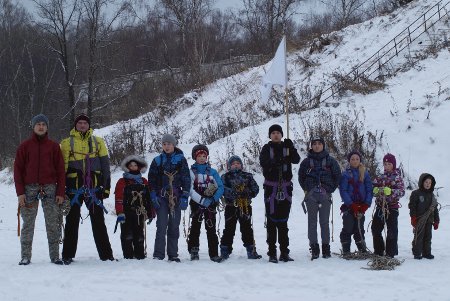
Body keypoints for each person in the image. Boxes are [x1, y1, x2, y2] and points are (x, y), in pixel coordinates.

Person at [60, 114, 114, 264]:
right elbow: (61, 168)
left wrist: (107, 188)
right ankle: (67, 255)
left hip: (94, 189)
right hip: (73, 189)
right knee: (71, 222)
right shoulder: (66, 143)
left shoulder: (98, 142)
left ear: (89, 125)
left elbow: (105, 166)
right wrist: (61, 189)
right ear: (75, 125)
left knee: (98, 222)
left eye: (85, 123)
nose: (82, 125)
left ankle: (106, 255)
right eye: (80, 123)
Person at [14, 114, 66, 265]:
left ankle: (55, 256)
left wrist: (60, 192)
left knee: (52, 223)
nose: (41, 126)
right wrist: (20, 193)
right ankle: (25, 256)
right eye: (38, 124)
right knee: (28, 224)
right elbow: (17, 170)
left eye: (44, 124)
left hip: (50, 188)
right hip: (29, 189)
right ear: (33, 126)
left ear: (47, 127)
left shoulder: (54, 147)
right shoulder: (24, 146)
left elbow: (60, 171)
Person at [259, 124, 300, 263]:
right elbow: (264, 162)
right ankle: (271, 252)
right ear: (270, 135)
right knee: (271, 221)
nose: (276, 135)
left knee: (283, 222)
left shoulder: (287, 147)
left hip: (286, 188)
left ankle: (284, 252)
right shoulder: (266, 149)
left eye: (278, 133)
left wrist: (291, 147)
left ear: (282, 135)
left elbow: (296, 160)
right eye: (273, 133)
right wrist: (277, 161)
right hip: (271, 189)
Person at [147, 134, 190, 262]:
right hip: (161, 196)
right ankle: (158, 254)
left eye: (169, 144)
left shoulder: (181, 160)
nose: (167, 146)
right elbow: (151, 179)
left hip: (176, 196)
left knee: (174, 226)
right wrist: (153, 195)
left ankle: (173, 254)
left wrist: (185, 196)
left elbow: (186, 178)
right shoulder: (157, 160)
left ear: (174, 145)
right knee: (161, 225)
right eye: (164, 144)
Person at [298, 136, 341, 260]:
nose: (317, 146)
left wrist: (330, 189)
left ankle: (326, 247)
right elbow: (301, 177)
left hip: (325, 195)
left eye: (319, 143)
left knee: (324, 222)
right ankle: (314, 247)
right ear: (311, 146)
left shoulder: (330, 161)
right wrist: (307, 189)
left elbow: (337, 176)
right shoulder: (306, 162)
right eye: (314, 144)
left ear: (323, 145)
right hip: (311, 196)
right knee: (312, 223)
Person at [187, 144, 224, 262]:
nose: (202, 158)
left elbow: (220, 187)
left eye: (204, 156)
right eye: (199, 156)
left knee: (211, 228)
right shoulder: (191, 172)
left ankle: (213, 253)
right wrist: (202, 201)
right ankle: (193, 251)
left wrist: (213, 199)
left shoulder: (212, 172)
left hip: (211, 204)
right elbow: (190, 190)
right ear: (195, 157)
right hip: (196, 204)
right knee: (195, 228)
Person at [220, 155, 261, 260]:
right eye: (233, 164)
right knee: (229, 229)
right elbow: (222, 189)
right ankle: (225, 250)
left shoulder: (248, 176)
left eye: (238, 163)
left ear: (241, 165)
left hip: (245, 206)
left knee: (247, 228)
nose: (236, 165)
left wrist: (247, 193)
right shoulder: (225, 177)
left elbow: (255, 188)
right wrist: (233, 193)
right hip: (231, 206)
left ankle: (251, 250)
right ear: (229, 166)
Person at [114, 155, 153, 259]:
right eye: (131, 165)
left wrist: (151, 212)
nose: (133, 167)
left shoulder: (144, 181)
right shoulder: (122, 181)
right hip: (126, 212)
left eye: (135, 165)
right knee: (127, 236)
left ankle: (140, 255)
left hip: (140, 213)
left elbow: (149, 198)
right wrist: (120, 213)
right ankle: (128, 256)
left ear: (139, 167)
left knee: (139, 235)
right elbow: (118, 198)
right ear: (127, 167)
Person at [338, 150, 373, 255]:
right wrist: (351, 204)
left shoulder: (365, 174)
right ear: (349, 161)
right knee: (348, 227)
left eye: (357, 159)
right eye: (352, 159)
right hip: (349, 206)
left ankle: (362, 248)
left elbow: (369, 190)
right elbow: (343, 190)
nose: (355, 161)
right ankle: (346, 249)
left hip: (361, 206)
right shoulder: (345, 175)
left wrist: (366, 204)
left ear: (360, 160)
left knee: (359, 227)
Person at [371, 153, 405, 258]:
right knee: (375, 228)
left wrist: (391, 191)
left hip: (392, 207)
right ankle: (378, 250)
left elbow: (402, 191)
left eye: (389, 164)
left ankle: (391, 253)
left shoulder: (398, 178)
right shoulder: (380, 177)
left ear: (393, 165)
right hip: (380, 207)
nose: (387, 166)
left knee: (392, 230)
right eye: (385, 164)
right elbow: (372, 188)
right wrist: (375, 190)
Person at [409, 173, 440, 259]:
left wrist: (436, 221)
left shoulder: (432, 196)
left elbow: (435, 209)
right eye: (426, 182)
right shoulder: (416, 193)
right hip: (419, 219)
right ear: (422, 182)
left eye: (430, 183)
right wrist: (413, 218)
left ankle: (427, 253)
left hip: (429, 220)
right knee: (419, 236)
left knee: (428, 237)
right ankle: (417, 253)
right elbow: (412, 207)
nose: (428, 184)